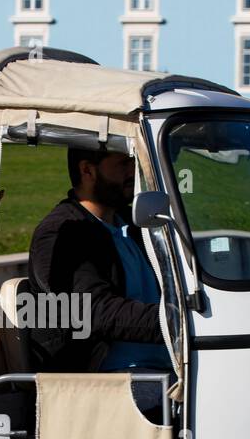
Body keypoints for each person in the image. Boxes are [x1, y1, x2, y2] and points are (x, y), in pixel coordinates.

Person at [27, 146, 170, 381]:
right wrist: (173, 322)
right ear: (87, 170)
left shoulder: (135, 224)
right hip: (109, 380)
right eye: (123, 163)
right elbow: (93, 310)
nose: (133, 171)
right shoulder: (63, 232)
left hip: (165, 369)